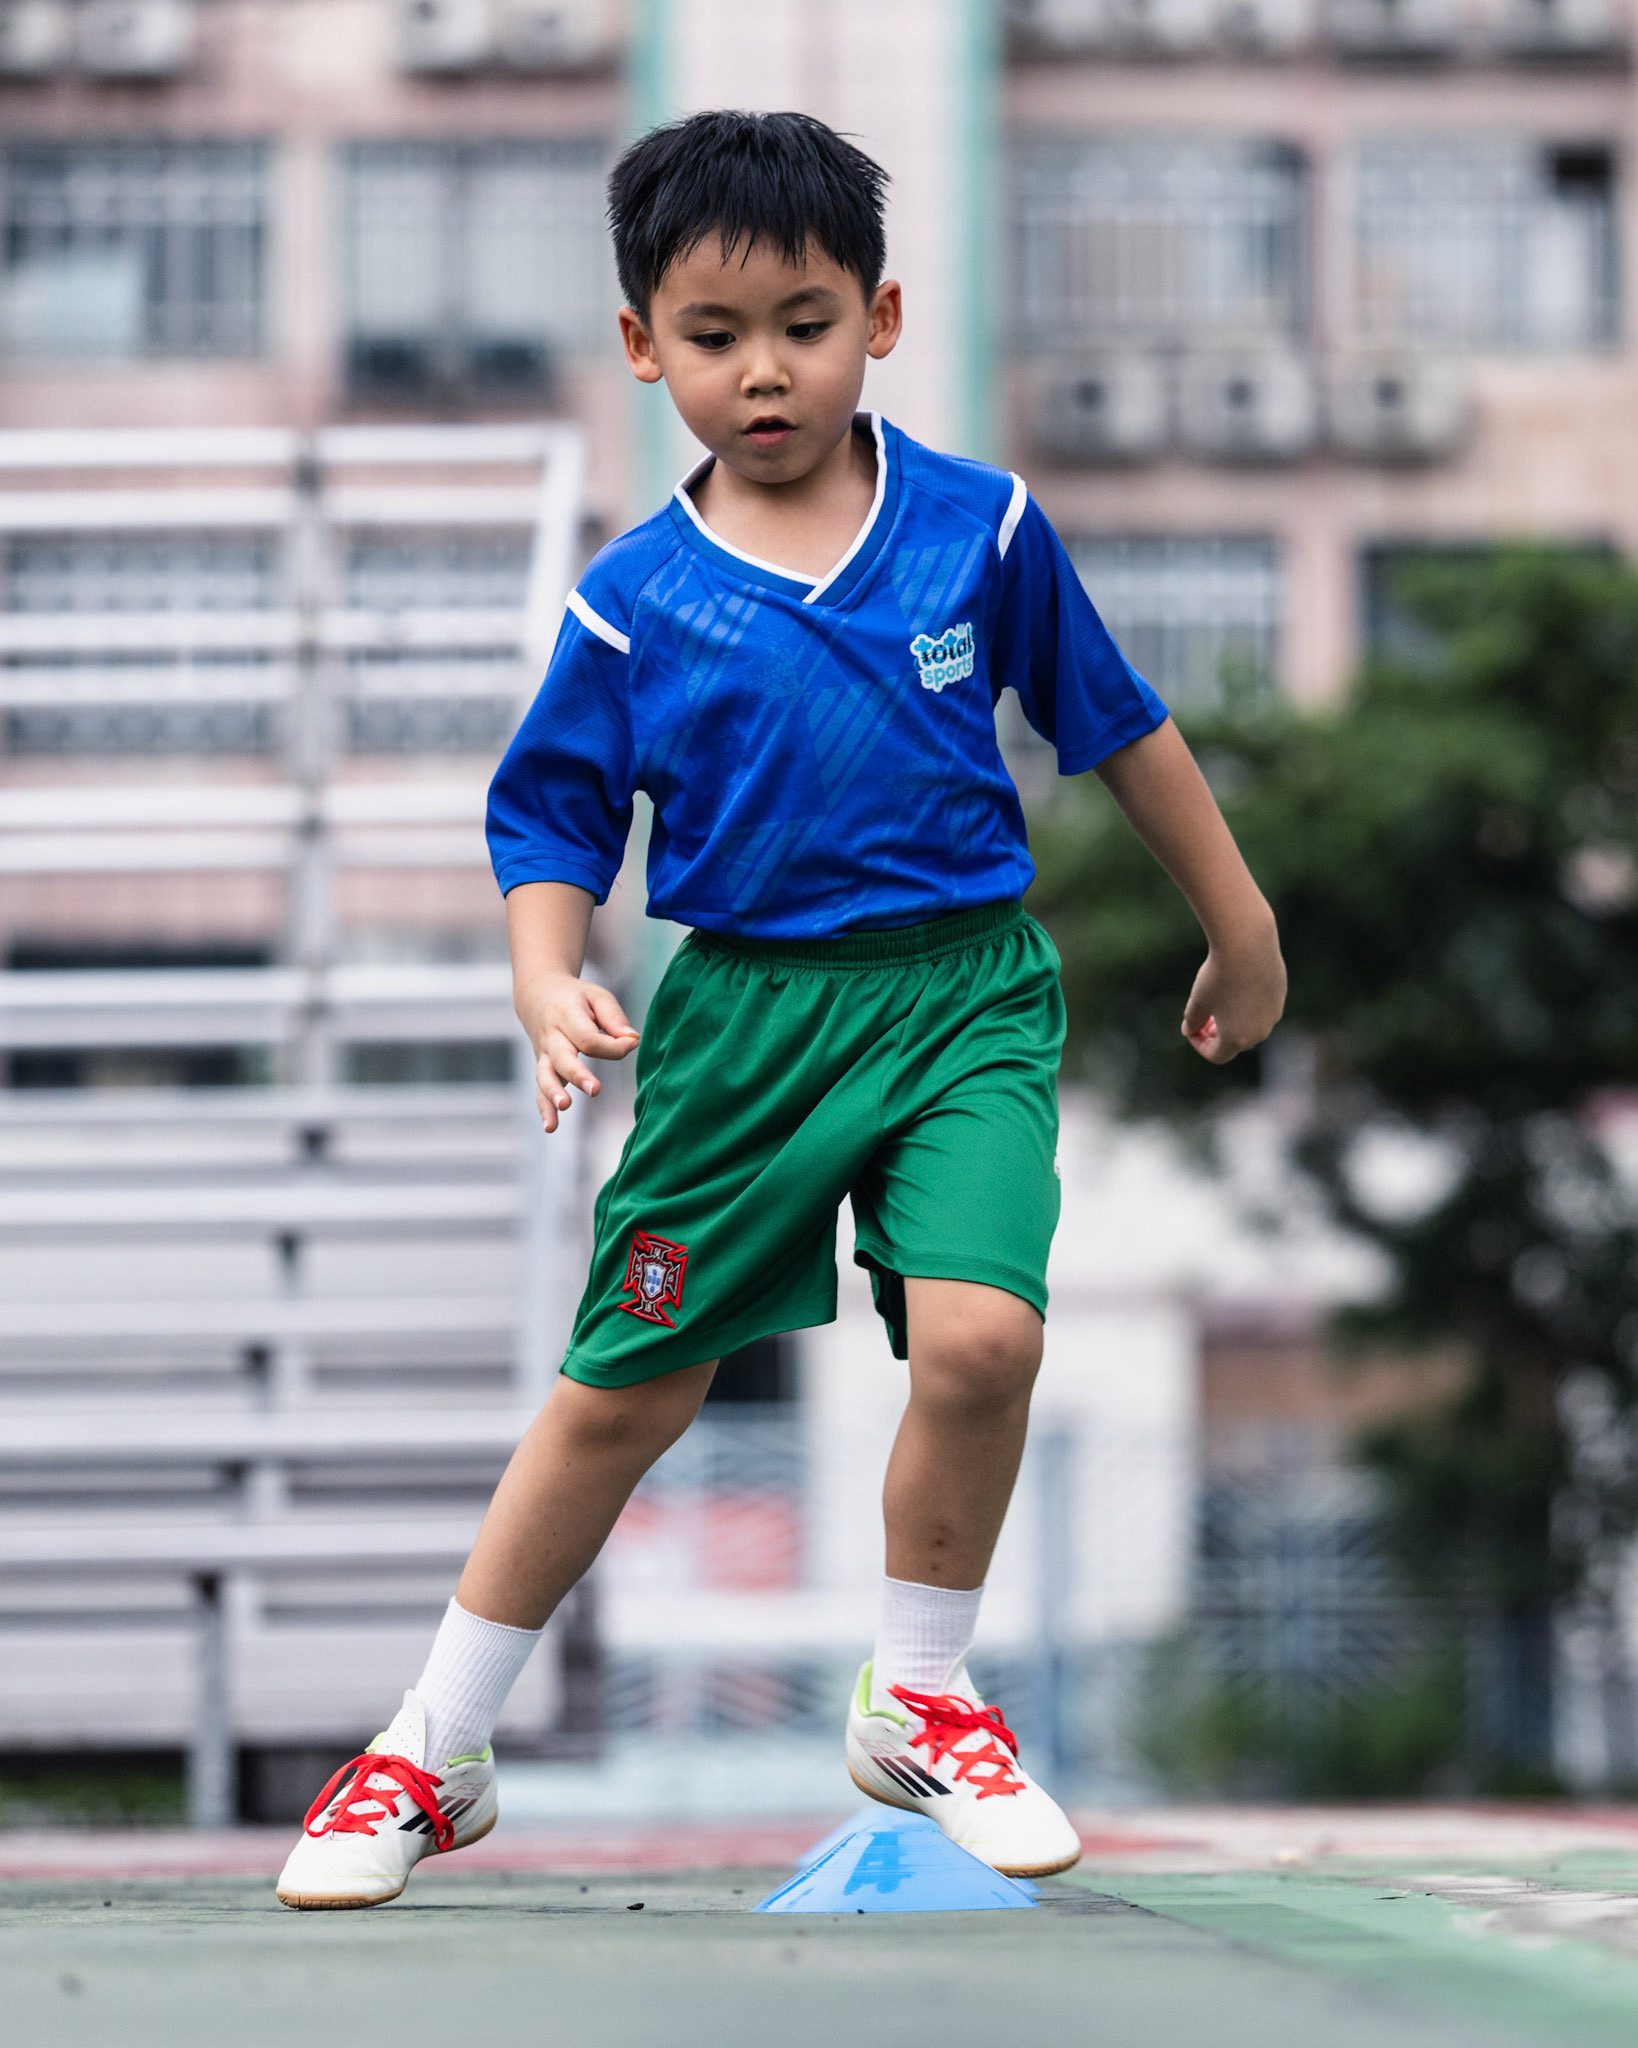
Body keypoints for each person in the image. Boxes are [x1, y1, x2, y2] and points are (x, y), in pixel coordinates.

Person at [276, 109, 1286, 1910]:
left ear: (880, 321)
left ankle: (920, 1692)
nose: (764, 371)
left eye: (804, 325)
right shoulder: (631, 601)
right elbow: (548, 821)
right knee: (619, 1398)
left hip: (963, 997)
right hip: (740, 1030)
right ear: (640, 344)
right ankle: (431, 1749)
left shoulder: (981, 531)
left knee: (981, 1342)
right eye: (715, 335)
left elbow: (1117, 727)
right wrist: (542, 975)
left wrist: (1241, 923)